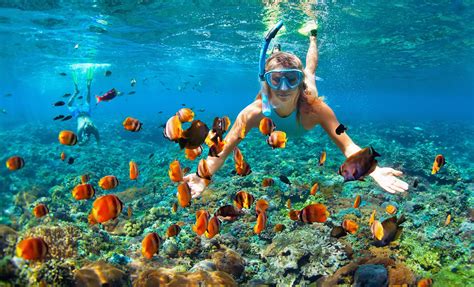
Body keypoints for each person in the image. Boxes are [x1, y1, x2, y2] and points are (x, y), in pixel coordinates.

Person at [185, 23, 409, 198]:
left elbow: (347, 144)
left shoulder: (317, 109)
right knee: (287, 68)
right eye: (276, 79)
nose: (284, 88)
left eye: (292, 79)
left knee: (310, 69)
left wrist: (373, 169)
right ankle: (276, 52)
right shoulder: (253, 113)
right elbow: (222, 150)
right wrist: (202, 175)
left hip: (308, 91)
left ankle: (312, 36)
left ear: (299, 83)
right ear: (267, 82)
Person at [67, 68, 100, 145]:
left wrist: (82, 142)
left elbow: (98, 139)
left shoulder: (90, 129)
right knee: (71, 104)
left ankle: (79, 91)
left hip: (82, 113)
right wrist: (82, 142)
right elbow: (97, 140)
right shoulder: (89, 129)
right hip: (81, 114)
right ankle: (83, 89)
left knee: (86, 102)